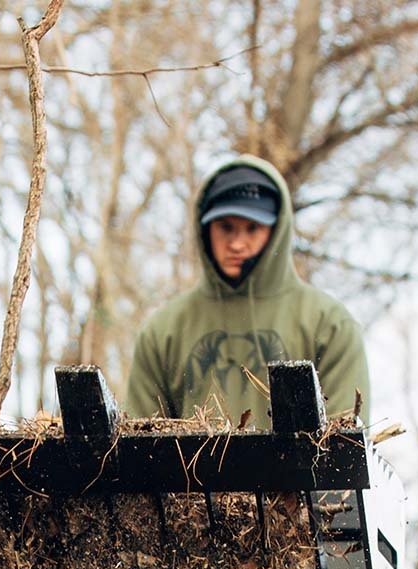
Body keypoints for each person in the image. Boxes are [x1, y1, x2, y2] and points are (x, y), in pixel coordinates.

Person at [125, 155, 369, 426]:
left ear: (276, 230)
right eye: (226, 227)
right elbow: (139, 441)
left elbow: (346, 443)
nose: (237, 243)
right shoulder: (163, 331)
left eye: (253, 228)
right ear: (205, 228)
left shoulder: (328, 324)